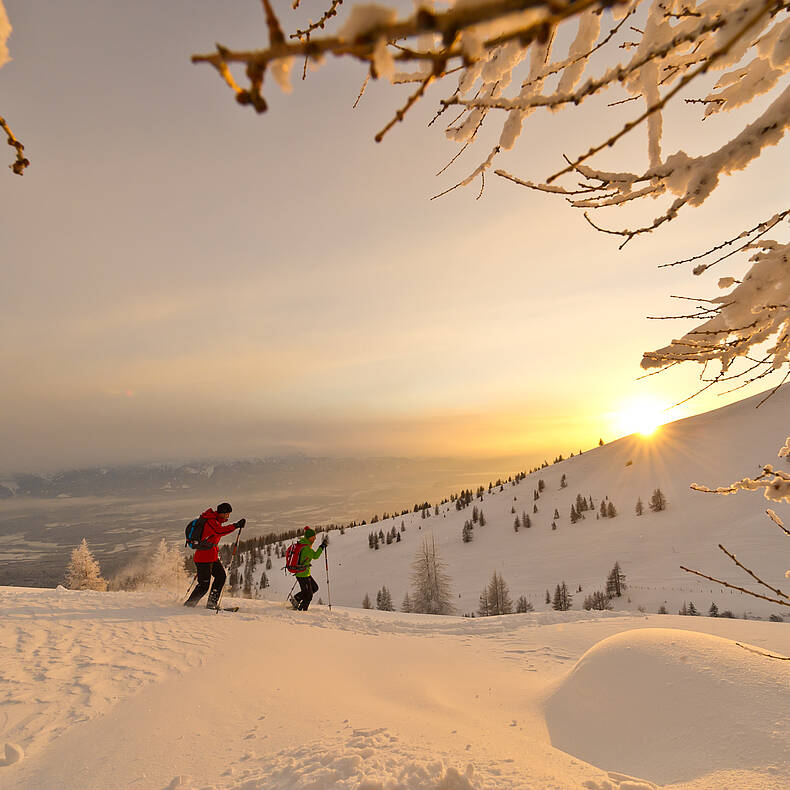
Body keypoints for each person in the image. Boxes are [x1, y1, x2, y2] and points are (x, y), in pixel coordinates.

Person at [184, 502, 245, 609]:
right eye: (227, 514)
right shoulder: (211, 521)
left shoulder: (215, 520)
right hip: (203, 559)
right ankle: (189, 605)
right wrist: (236, 525)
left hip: (212, 557)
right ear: (222, 513)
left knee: (221, 577)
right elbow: (219, 531)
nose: (228, 516)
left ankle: (211, 604)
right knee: (204, 586)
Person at [291, 527, 328, 611]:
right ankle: (302, 611)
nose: (315, 538)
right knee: (309, 595)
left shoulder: (303, 543)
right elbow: (315, 556)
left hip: (304, 573)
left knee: (314, 588)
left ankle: (296, 599)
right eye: (314, 536)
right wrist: (321, 547)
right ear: (309, 537)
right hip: (302, 574)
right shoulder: (306, 547)